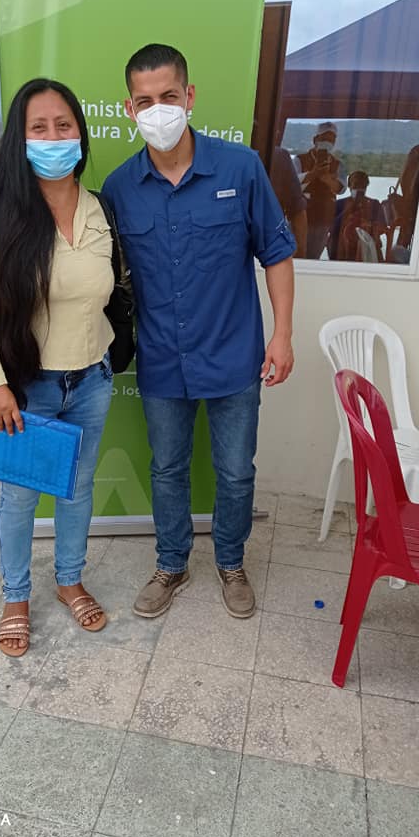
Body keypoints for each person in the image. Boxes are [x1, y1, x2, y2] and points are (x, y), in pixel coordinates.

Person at [101, 43, 295, 621]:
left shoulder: (241, 169)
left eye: (168, 96)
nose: (157, 109)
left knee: (235, 472)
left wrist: (283, 334)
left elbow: (277, 253)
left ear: (189, 96)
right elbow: (106, 277)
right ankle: (171, 564)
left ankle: (231, 562)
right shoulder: (119, 188)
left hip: (235, 356)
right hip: (163, 359)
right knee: (167, 470)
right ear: (129, 109)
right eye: (144, 101)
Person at [0, 78, 115, 657]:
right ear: (19, 140)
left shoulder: (98, 209)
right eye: (38, 128)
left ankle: (69, 580)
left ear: (80, 134)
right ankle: (16, 597)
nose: (53, 137)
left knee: (77, 490)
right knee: (19, 498)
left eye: (63, 125)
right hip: (24, 387)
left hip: (92, 380)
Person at [293, 122, 345, 259]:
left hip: (323, 220)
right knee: (296, 254)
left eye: (332, 139)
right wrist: (313, 174)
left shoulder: (338, 164)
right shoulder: (299, 160)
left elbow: (341, 189)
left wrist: (327, 178)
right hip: (300, 216)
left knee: (313, 258)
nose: (328, 142)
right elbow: (292, 184)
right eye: (325, 138)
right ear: (315, 139)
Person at [328, 170, 386, 262]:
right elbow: (331, 228)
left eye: (362, 186)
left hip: (367, 246)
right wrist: (348, 210)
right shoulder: (339, 204)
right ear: (349, 186)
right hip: (342, 249)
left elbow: (383, 227)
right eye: (356, 186)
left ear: (366, 186)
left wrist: (368, 223)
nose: (359, 189)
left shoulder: (374, 204)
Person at [267, 146, 308, 258]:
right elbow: (297, 210)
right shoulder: (279, 156)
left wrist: (301, 252)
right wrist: (301, 253)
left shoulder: (279, 157)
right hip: (269, 248)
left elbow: (297, 209)